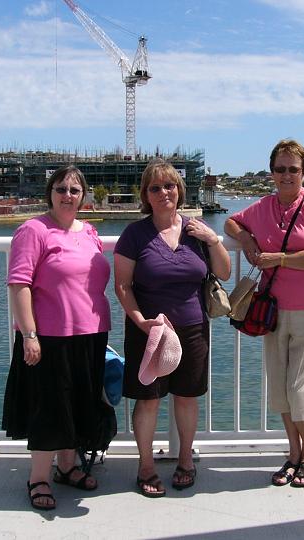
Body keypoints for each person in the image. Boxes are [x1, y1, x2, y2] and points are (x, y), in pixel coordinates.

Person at [224, 139, 304, 488]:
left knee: (302, 388)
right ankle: (293, 453)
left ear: (303, 172)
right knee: (280, 387)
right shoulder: (262, 207)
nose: (287, 175)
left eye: (293, 169)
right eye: (280, 169)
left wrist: (281, 259)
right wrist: (247, 240)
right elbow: (232, 223)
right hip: (274, 310)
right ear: (271, 172)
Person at [114, 158, 231, 498]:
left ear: (179, 191)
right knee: (148, 401)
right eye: (155, 187)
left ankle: (185, 461)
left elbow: (223, 273)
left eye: (170, 185)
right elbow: (123, 285)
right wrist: (139, 320)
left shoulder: (196, 231)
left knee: (186, 397)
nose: (164, 192)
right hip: (148, 331)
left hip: (193, 327)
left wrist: (213, 239)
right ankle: (146, 466)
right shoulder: (135, 234)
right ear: (146, 195)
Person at [2, 165, 111, 510]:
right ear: (50, 193)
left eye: (74, 190)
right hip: (48, 336)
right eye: (61, 189)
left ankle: (67, 466)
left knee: (79, 403)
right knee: (49, 407)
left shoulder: (90, 232)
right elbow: (19, 284)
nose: (67, 195)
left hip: (91, 333)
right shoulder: (33, 230)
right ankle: (38, 478)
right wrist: (29, 335)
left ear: (83, 196)